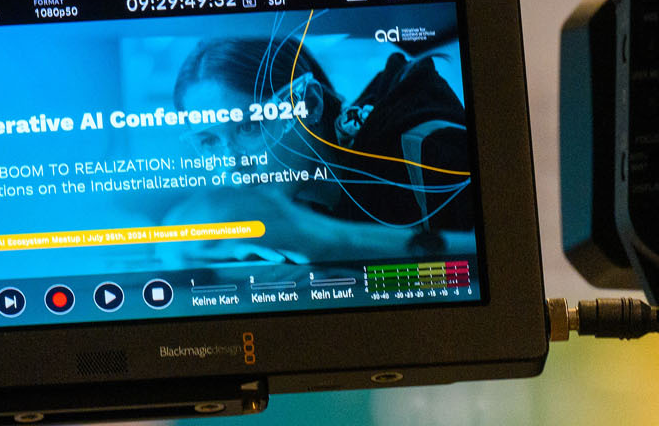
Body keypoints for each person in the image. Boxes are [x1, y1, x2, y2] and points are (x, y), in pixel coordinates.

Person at [163, 31, 476, 263]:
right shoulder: (297, 205)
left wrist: (324, 239)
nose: (232, 164)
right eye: (208, 141)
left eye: (249, 126)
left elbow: (501, 259)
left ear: (308, 103)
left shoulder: (426, 147)